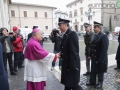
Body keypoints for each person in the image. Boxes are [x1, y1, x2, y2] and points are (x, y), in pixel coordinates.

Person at [58, 18, 83, 90]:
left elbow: (74, 52)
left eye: (60, 25)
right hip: (67, 64)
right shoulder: (66, 34)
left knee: (74, 85)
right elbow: (65, 48)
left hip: (71, 65)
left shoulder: (72, 34)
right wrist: (61, 54)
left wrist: (72, 67)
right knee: (68, 84)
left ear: (65, 25)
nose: (59, 27)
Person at [86, 21, 109, 89]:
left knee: (100, 71)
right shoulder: (94, 35)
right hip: (94, 56)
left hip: (100, 57)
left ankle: (100, 83)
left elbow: (104, 50)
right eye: (94, 27)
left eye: (95, 27)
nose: (93, 29)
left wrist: (101, 60)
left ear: (99, 28)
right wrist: (90, 55)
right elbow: (92, 46)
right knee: (93, 70)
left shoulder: (103, 36)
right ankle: (92, 81)